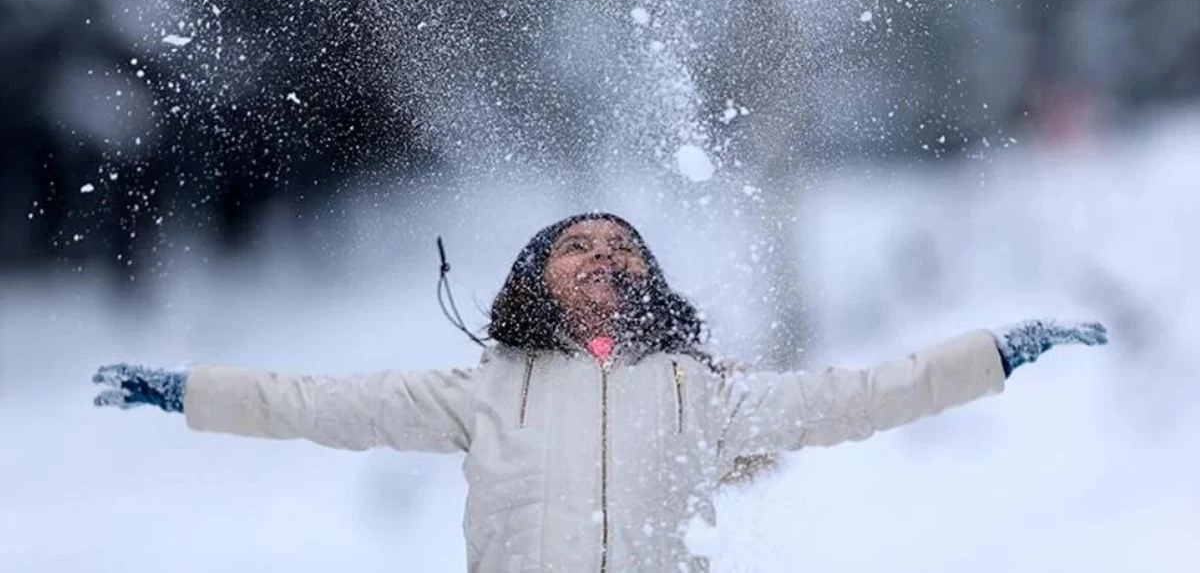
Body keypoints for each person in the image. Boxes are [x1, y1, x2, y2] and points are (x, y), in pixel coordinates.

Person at [92, 212, 1108, 572]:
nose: (603, 255)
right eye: (577, 245)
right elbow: (314, 400)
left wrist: (997, 352)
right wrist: (188, 391)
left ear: (649, 281)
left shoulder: (703, 393)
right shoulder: (482, 389)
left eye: (623, 247)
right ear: (536, 278)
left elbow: (863, 394)